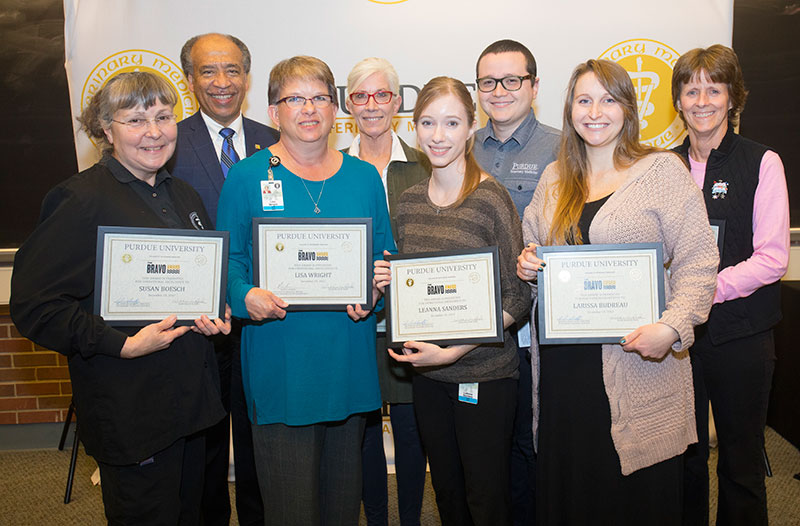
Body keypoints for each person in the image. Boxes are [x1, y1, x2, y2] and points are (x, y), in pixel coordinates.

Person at [10, 71, 230, 524]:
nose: (154, 131)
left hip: (195, 410)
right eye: (135, 120)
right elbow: (35, 307)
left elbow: (199, 285)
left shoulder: (183, 194)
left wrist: (216, 310)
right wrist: (122, 344)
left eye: (164, 116)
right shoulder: (80, 200)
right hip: (133, 412)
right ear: (106, 130)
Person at [516, 59, 718, 525]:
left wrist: (671, 327)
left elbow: (700, 261)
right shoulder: (553, 179)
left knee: (633, 497)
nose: (595, 112)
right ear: (569, 110)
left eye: (608, 99)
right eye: (584, 100)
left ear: (628, 107)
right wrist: (528, 263)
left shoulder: (662, 171)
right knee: (574, 490)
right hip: (566, 372)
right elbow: (533, 245)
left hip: (638, 362)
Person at [216, 55, 394, 526]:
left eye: (320, 98)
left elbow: (384, 257)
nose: (309, 109)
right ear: (274, 112)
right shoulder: (246, 176)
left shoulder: (363, 178)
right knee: (289, 510)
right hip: (281, 365)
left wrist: (376, 291)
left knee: (341, 507)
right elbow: (228, 264)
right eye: (295, 99)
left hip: (348, 363)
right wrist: (244, 296)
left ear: (335, 108)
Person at [374, 77, 530, 526]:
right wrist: (387, 280)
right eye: (427, 122)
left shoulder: (491, 199)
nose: (437, 135)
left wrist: (453, 351)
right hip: (427, 377)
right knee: (446, 493)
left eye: (451, 122)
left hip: (483, 375)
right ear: (415, 126)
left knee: (486, 498)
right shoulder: (406, 204)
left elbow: (517, 296)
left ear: (471, 127)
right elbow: (410, 289)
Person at [672, 45, 790, 526]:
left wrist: (703, 288)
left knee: (741, 464)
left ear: (732, 97)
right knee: (684, 460)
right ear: (678, 99)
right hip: (680, 341)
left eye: (713, 89)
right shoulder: (663, 167)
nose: (702, 100)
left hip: (742, 335)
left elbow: (772, 258)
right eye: (691, 89)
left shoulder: (763, 162)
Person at [169, 32, 279, 526]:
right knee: (207, 449)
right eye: (208, 71)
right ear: (190, 80)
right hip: (200, 324)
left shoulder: (275, 143)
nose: (222, 82)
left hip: (262, 319)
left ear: (247, 77)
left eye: (232, 70)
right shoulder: (167, 143)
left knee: (260, 441)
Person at [473, 39, 560, 525]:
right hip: (478, 328)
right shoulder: (461, 148)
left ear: (533, 85)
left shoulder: (563, 148)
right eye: (489, 81)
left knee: (533, 443)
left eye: (512, 80)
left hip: (536, 330)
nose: (500, 90)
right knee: (492, 445)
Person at [343, 57, 429, 526]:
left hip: (410, 318)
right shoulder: (333, 168)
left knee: (412, 431)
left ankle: (411, 519)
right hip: (355, 320)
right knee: (364, 432)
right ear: (348, 103)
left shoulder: (423, 165)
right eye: (361, 95)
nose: (372, 105)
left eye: (382, 95)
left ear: (398, 102)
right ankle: (376, 519)